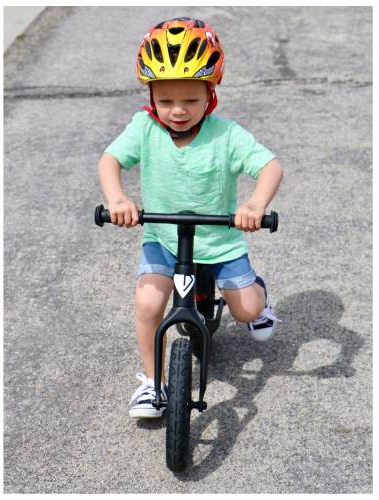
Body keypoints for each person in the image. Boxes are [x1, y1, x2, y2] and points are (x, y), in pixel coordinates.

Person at [96, 17, 284, 418]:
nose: (178, 111)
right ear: (151, 96)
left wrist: (255, 205)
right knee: (148, 304)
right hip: (163, 239)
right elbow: (110, 161)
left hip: (220, 241)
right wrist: (118, 199)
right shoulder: (144, 129)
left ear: (210, 94)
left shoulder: (226, 135)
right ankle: (152, 383)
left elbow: (270, 166)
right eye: (165, 101)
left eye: (190, 101)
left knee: (246, 311)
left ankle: (259, 295)